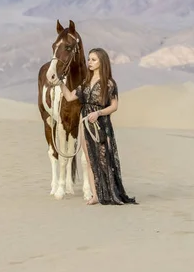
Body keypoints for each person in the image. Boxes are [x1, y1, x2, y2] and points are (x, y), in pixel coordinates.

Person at [57, 48, 137, 206]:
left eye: (94, 60)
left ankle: (111, 193)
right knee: (89, 159)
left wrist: (99, 113)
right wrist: (60, 82)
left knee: (104, 158)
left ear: (102, 62)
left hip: (101, 124)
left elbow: (114, 106)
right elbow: (69, 96)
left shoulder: (109, 83)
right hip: (85, 123)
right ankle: (95, 195)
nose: (90, 62)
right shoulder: (85, 83)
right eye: (89, 59)